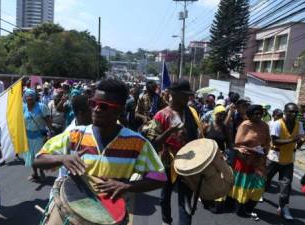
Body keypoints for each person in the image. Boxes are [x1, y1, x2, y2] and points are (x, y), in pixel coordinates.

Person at [33, 78, 166, 222]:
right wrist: (63, 158)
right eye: (92, 103)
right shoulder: (75, 135)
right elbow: (38, 159)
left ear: (119, 110)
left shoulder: (137, 143)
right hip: (72, 215)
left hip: (111, 217)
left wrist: (127, 186)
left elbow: (159, 177)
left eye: (103, 106)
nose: (95, 109)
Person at [144, 80, 201, 225]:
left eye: (189, 95)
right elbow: (153, 143)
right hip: (167, 162)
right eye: (184, 95)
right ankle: (166, 220)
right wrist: (170, 131)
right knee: (165, 196)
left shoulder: (192, 113)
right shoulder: (161, 115)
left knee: (186, 200)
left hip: (188, 163)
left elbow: (198, 136)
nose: (188, 98)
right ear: (173, 94)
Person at [226, 105, 271, 220]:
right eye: (255, 114)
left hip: (259, 160)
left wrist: (264, 149)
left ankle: (249, 206)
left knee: (259, 186)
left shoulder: (265, 125)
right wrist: (250, 149)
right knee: (243, 184)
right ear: (250, 115)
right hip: (245, 158)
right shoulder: (245, 125)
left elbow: (267, 141)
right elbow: (238, 143)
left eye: (260, 113)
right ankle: (239, 207)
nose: (258, 116)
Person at [265, 103, 305, 220]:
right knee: (265, 180)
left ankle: (283, 206)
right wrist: (293, 139)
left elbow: (298, 144)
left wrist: (303, 140)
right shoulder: (277, 124)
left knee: (286, 185)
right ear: (285, 112)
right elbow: (275, 142)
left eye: (296, 112)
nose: (294, 114)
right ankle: (257, 195)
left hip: (289, 159)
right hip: (274, 158)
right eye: (291, 112)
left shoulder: (298, 124)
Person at [23, 89, 52, 182]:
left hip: (39, 135)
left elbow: (48, 120)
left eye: (31, 98)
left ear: (34, 98)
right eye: (27, 98)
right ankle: (35, 173)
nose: (29, 99)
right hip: (28, 136)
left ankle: (42, 172)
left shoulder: (41, 107)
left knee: (39, 156)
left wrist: (51, 133)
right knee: (31, 156)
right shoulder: (24, 108)